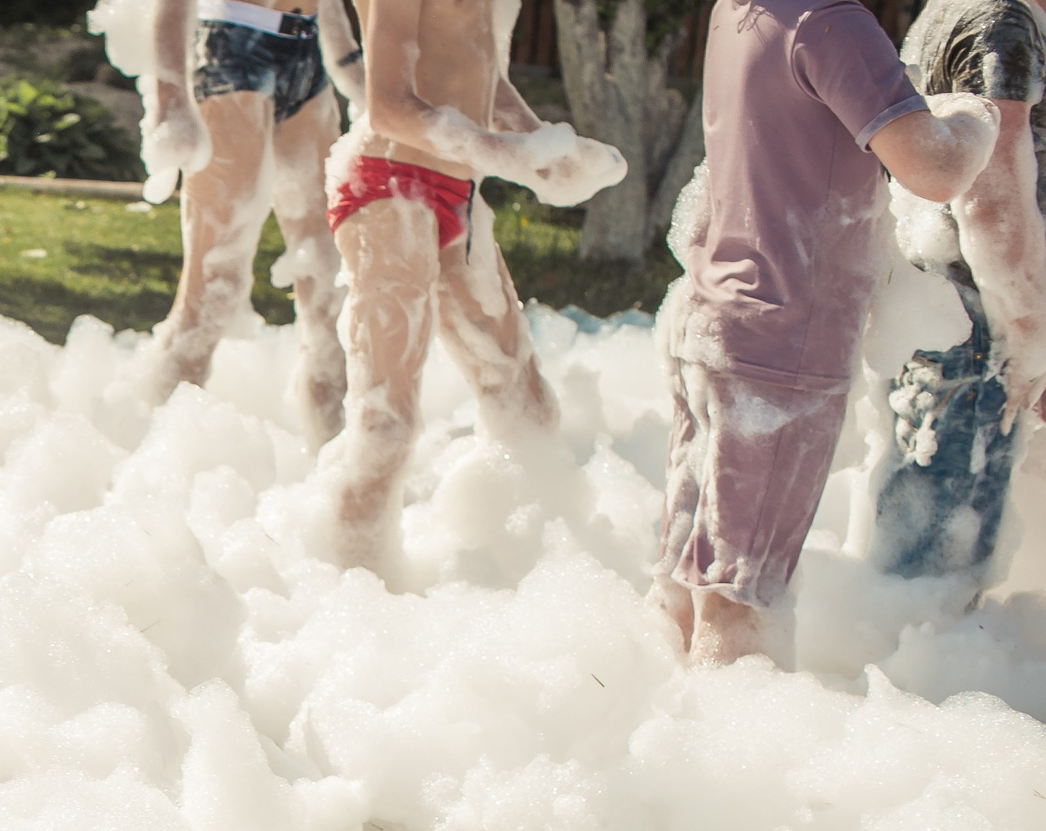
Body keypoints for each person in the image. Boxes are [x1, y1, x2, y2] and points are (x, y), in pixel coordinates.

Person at [654, 0, 999, 666]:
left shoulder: (742, 10)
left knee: (681, 572)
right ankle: (728, 757)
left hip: (712, 320)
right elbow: (933, 169)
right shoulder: (833, 23)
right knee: (741, 595)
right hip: (784, 347)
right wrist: (974, 118)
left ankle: (649, 734)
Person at [316, 0, 626, 573]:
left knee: (526, 402)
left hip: (456, 190)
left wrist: (543, 149)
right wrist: (506, 155)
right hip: (388, 185)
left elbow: (483, 72)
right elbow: (387, 107)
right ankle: (352, 601)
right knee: (389, 421)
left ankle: (535, 573)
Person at [865, 0, 1046, 590]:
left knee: (923, 533)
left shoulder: (948, 11)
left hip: (944, 304)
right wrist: (1028, 329)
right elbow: (992, 193)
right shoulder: (1003, 24)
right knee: (938, 558)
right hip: (980, 322)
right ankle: (921, 677)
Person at [135, 0, 360, 445]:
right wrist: (169, 96)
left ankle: (331, 461)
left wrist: (353, 69)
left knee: (327, 281)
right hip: (232, 46)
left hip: (307, 48)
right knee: (217, 284)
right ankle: (153, 455)